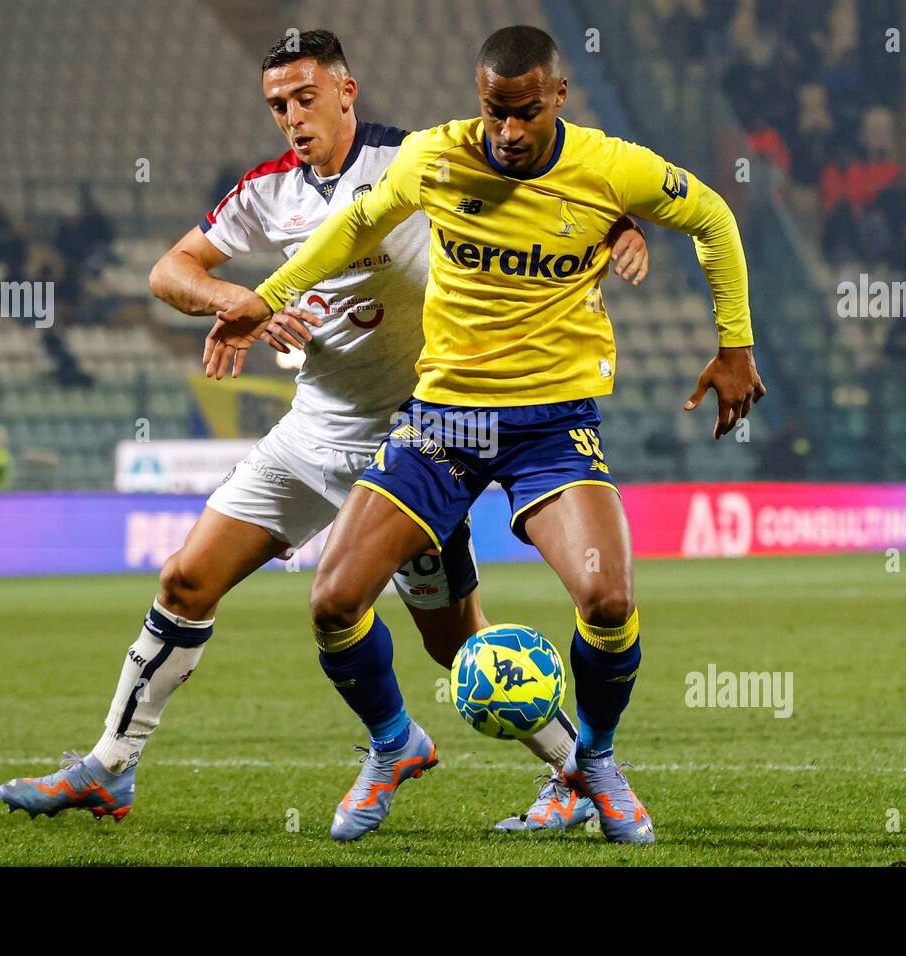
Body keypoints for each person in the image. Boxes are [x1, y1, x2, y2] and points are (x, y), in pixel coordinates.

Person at [0, 29, 649, 831]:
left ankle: (576, 774)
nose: (292, 118)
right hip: (309, 436)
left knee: (457, 648)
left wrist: (622, 227)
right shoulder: (269, 191)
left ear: (348, 91)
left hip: (413, 442)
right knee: (185, 582)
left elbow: (558, 190)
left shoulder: (421, 161)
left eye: (306, 98)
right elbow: (170, 271)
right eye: (278, 105)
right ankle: (111, 764)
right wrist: (238, 302)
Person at [206, 25, 765, 844]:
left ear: (558, 99)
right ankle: (394, 741)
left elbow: (713, 216)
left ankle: (593, 765)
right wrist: (270, 291)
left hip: (552, 424)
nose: (506, 132)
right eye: (493, 113)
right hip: (441, 421)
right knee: (332, 602)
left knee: (608, 600)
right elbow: (356, 226)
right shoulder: (436, 155)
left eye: (524, 114)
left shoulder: (611, 168)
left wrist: (735, 346)